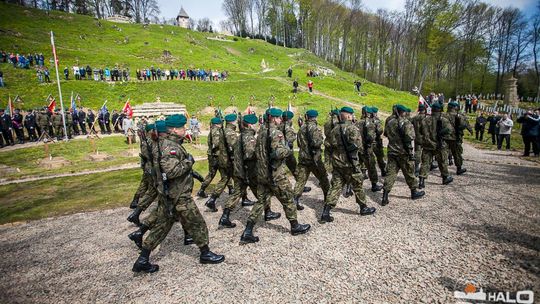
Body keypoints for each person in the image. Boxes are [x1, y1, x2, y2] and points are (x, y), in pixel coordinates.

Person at [131, 117, 225, 274]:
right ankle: (205, 253)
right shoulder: (169, 147)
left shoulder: (167, 144)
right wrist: (188, 162)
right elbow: (171, 171)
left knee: (161, 227)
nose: (184, 129)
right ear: (174, 130)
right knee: (197, 223)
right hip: (178, 194)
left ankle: (143, 259)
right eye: (182, 127)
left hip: (170, 194)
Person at [240, 108, 311, 244]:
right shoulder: (276, 133)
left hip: (262, 173)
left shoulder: (260, 132)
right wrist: (287, 150)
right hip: (275, 174)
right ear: (273, 118)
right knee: (288, 198)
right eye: (278, 118)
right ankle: (295, 226)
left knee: (261, 201)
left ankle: (248, 231)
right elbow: (278, 153)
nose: (280, 120)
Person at [319, 107, 377, 223]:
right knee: (358, 185)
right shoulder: (353, 129)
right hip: (351, 164)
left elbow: (328, 145)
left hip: (338, 163)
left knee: (335, 187)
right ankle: (363, 207)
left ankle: (326, 211)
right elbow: (359, 146)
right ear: (349, 116)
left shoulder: (334, 129)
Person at [219, 114, 276, 228]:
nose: (257, 125)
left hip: (240, 170)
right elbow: (250, 154)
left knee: (236, 193)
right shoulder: (249, 138)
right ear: (250, 125)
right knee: (263, 193)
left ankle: (225, 216)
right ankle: (266, 213)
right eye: (256, 123)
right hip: (249, 171)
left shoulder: (240, 136)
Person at [381, 105, 425, 205]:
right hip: (404, 153)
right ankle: (414, 192)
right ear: (403, 112)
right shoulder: (406, 122)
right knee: (409, 172)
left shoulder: (390, 122)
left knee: (390, 174)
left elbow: (386, 134)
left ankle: (385, 196)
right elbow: (411, 136)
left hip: (392, 152)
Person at [292, 109, 330, 207]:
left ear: (307, 117)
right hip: (314, 159)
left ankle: (295, 200)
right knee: (323, 178)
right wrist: (321, 139)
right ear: (315, 117)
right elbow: (316, 143)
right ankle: (327, 198)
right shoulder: (315, 129)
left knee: (301, 180)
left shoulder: (301, 128)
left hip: (303, 158)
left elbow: (299, 143)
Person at [204, 113, 238, 212]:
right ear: (233, 121)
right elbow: (233, 146)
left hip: (222, 159)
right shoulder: (229, 132)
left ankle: (212, 200)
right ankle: (228, 209)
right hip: (228, 160)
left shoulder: (222, 130)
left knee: (225, 179)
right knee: (238, 181)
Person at [418, 103, 454, 188]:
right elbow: (450, 130)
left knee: (425, 163)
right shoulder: (443, 120)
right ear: (440, 111)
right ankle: (445, 177)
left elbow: (420, 131)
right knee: (442, 162)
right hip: (440, 145)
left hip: (427, 145)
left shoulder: (425, 120)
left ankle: (421, 181)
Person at [356, 106, 383, 192]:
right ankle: (374, 184)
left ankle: (350, 186)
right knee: (371, 166)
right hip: (367, 148)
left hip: (358, 148)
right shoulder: (369, 123)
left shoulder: (357, 122)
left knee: (356, 167)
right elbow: (371, 136)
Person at [446, 101, 472, 175]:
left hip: (444, 137)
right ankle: (459, 168)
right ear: (455, 108)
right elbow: (464, 125)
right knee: (457, 153)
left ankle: (444, 171)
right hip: (455, 137)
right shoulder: (459, 116)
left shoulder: (443, 115)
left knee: (444, 153)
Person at [411, 104, 427, 176]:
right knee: (426, 153)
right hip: (425, 138)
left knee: (417, 152)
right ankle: (424, 167)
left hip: (417, 137)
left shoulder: (414, 118)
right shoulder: (426, 118)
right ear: (424, 110)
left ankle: (417, 167)